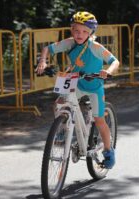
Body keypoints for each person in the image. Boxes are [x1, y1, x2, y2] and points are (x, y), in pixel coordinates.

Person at [36, 11, 119, 169]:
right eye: (76, 30)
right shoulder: (70, 43)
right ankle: (62, 130)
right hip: (75, 80)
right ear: (71, 29)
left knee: (99, 119)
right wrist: (43, 61)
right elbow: (48, 48)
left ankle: (109, 151)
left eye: (84, 31)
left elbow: (114, 61)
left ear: (90, 33)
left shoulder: (95, 47)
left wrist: (108, 71)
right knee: (58, 104)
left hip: (94, 86)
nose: (79, 34)